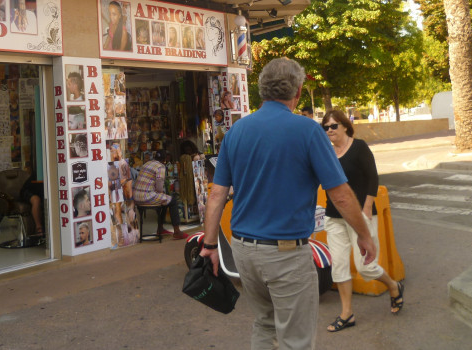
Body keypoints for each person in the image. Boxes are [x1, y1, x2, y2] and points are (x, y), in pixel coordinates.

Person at [200, 57, 376, 350]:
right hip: (285, 254)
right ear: (298, 91)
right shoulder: (307, 131)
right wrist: (364, 234)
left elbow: (217, 195)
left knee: (264, 324)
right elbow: (341, 195)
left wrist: (209, 245)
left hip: (243, 251)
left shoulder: (237, 131)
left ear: (262, 90)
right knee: (296, 339)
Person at [321, 109, 404, 332]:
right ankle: (347, 314)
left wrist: (367, 207)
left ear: (345, 126)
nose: (329, 130)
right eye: (325, 127)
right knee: (339, 266)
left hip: (360, 216)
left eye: (333, 126)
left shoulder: (359, 147)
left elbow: (372, 178)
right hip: (334, 216)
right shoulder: (327, 153)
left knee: (365, 267)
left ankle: (393, 285)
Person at [133, 150, 188, 239]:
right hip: (146, 196)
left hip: (136, 196)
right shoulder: (160, 167)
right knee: (172, 201)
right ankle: (177, 231)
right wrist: (162, 192)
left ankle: (160, 228)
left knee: (165, 200)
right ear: (164, 159)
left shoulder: (147, 163)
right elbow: (159, 188)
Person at [19, 166, 46, 242]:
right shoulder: (40, 171)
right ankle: (38, 228)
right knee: (36, 200)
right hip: (28, 190)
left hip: (40, 190)